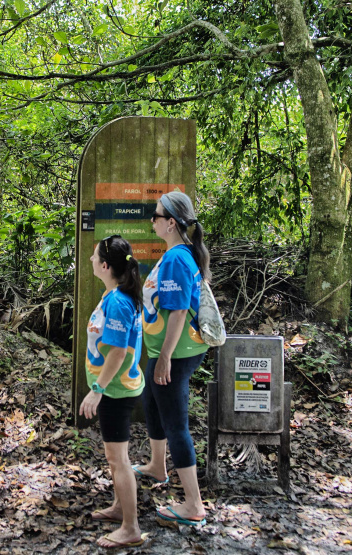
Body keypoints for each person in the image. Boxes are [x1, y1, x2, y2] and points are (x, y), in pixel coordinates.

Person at [135, 191, 211, 527]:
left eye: (156, 215)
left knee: (176, 424)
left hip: (176, 354)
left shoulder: (177, 259)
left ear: (170, 223)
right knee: (151, 402)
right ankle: (156, 465)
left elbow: (178, 310)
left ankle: (193, 504)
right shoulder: (176, 255)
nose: (151, 220)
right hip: (164, 351)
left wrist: (164, 357)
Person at [79, 235, 146, 549]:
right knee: (115, 456)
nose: (92, 260)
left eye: (94, 257)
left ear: (106, 266)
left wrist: (96, 390)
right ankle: (120, 508)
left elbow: (118, 352)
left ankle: (131, 527)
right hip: (115, 387)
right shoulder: (114, 295)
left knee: (118, 459)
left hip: (116, 390)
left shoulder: (118, 301)